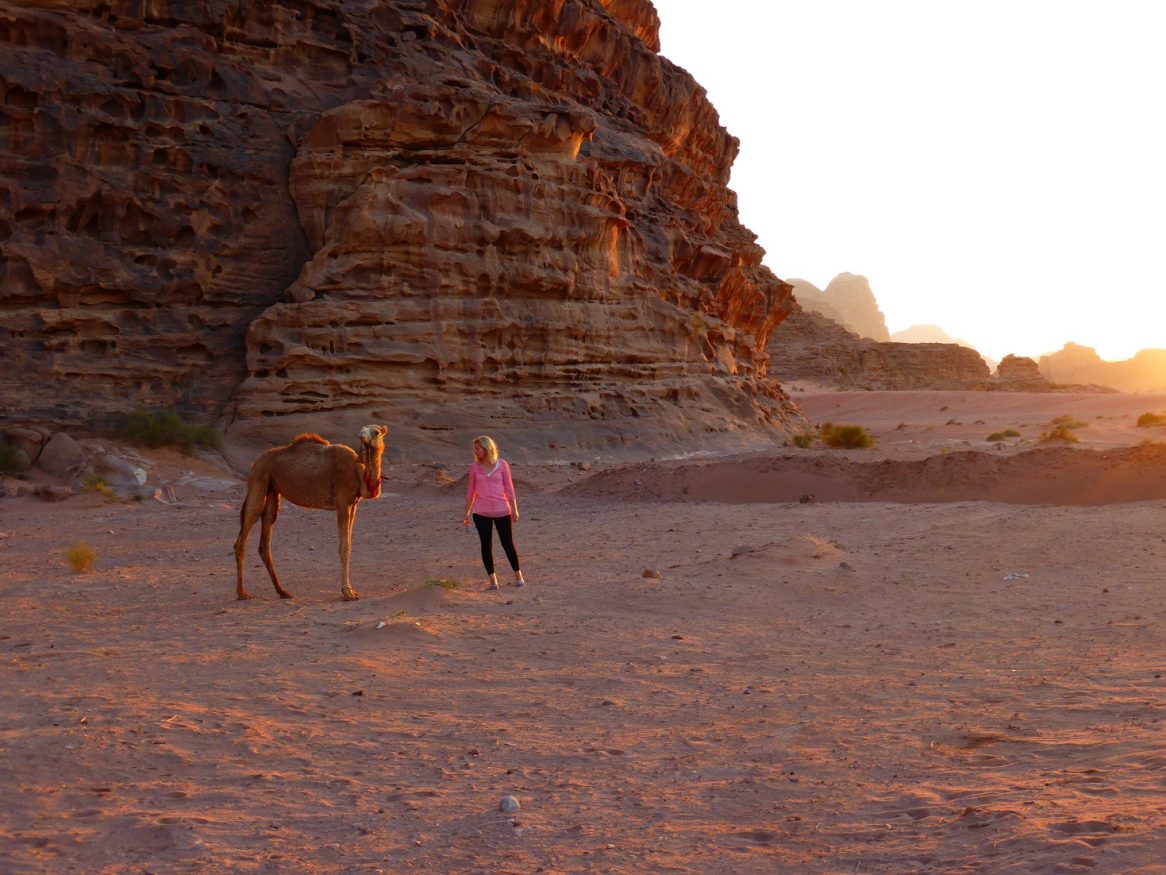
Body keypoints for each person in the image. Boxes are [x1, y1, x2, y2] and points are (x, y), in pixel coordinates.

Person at [463, 435, 526, 590]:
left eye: (478, 449)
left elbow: (509, 489)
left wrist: (515, 510)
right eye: (475, 449)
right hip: (481, 513)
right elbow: (471, 492)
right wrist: (467, 513)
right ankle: (493, 581)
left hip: (502, 511)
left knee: (508, 544)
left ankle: (518, 576)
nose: (476, 452)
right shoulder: (474, 468)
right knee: (486, 545)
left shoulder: (502, 465)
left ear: (486, 448)